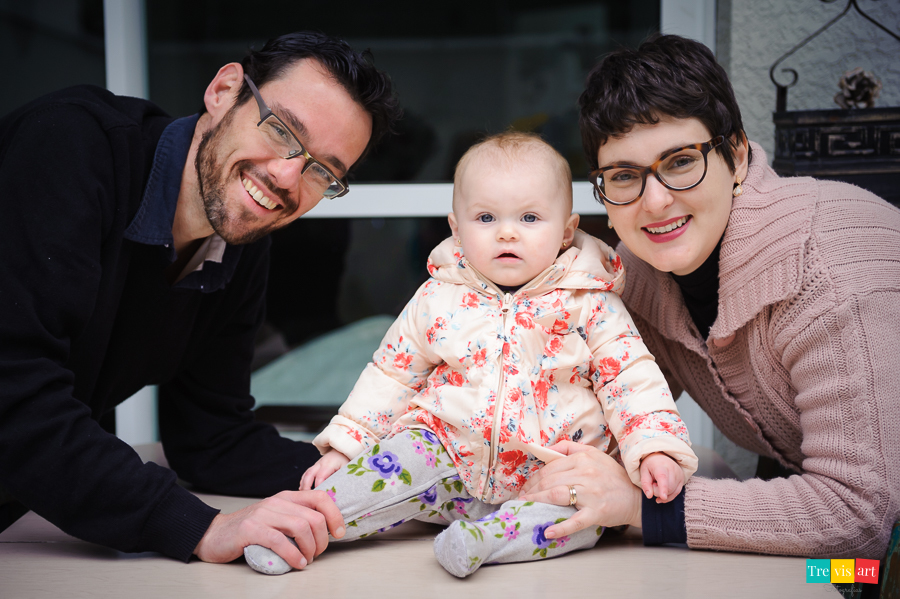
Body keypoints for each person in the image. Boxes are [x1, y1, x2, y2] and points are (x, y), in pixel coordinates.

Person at [0, 31, 401, 570]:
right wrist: (202, 526)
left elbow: (212, 438)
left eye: (322, 171)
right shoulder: (71, 147)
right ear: (224, 91)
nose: (287, 176)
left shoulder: (238, 239)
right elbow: (13, 395)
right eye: (282, 131)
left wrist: (385, 480)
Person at [243, 131, 698, 576]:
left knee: (580, 514)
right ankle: (304, 528)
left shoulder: (592, 302)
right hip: (447, 455)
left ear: (566, 231)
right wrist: (345, 447)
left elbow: (630, 379)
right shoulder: (438, 297)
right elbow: (392, 375)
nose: (506, 234)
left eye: (529, 218)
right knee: (384, 468)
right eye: (486, 219)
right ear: (456, 230)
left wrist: (655, 448)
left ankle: (484, 542)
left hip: (549, 466)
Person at [517, 33, 900, 562]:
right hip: (816, 520)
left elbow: (857, 518)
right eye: (625, 176)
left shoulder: (832, 265)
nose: (655, 201)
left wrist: (640, 508)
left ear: (736, 155)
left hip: (872, 553)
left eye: (679, 162)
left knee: (797, 590)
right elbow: (601, 420)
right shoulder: (633, 278)